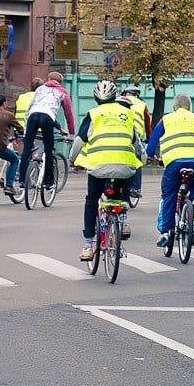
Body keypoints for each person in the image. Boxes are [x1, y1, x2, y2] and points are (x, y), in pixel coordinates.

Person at [69, 81, 144, 260]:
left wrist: (72, 160)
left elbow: (79, 141)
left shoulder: (93, 115)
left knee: (92, 199)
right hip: (124, 165)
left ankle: (88, 245)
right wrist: (142, 159)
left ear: (96, 98)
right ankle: (123, 222)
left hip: (98, 167)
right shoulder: (127, 113)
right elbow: (136, 143)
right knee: (120, 192)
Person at [146, 94, 194, 247]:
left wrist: (151, 156)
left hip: (174, 162)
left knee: (169, 195)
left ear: (174, 107)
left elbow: (152, 142)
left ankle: (166, 232)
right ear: (189, 107)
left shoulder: (166, 120)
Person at [18, 71, 76, 193]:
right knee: (49, 151)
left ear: (49, 79)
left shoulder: (40, 89)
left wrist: (26, 129)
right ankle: (49, 183)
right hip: (47, 118)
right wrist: (71, 133)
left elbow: (30, 107)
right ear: (60, 82)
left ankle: (22, 181)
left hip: (33, 116)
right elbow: (69, 114)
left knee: (27, 149)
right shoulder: (63, 92)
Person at [121, 86, 152, 199]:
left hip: (119, 134)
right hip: (134, 136)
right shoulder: (142, 104)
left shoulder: (118, 101)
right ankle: (135, 188)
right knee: (137, 161)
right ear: (137, 94)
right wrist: (148, 137)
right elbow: (147, 122)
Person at [0, 94, 24, 196]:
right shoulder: (8, 115)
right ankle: (9, 185)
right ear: (4, 103)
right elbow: (20, 129)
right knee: (14, 159)